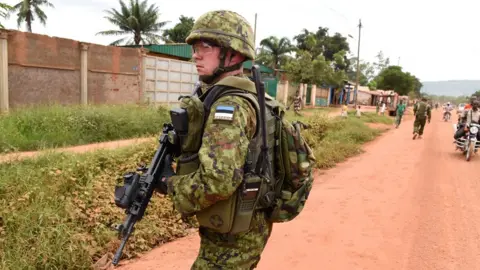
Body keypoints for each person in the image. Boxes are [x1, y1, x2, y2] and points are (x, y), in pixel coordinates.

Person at [155, 10, 278, 269]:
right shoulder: (248, 95)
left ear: (233, 54)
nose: (195, 55)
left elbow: (219, 180)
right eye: (195, 47)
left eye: (205, 47)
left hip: (233, 238)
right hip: (241, 224)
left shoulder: (230, 106)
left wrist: (170, 184)